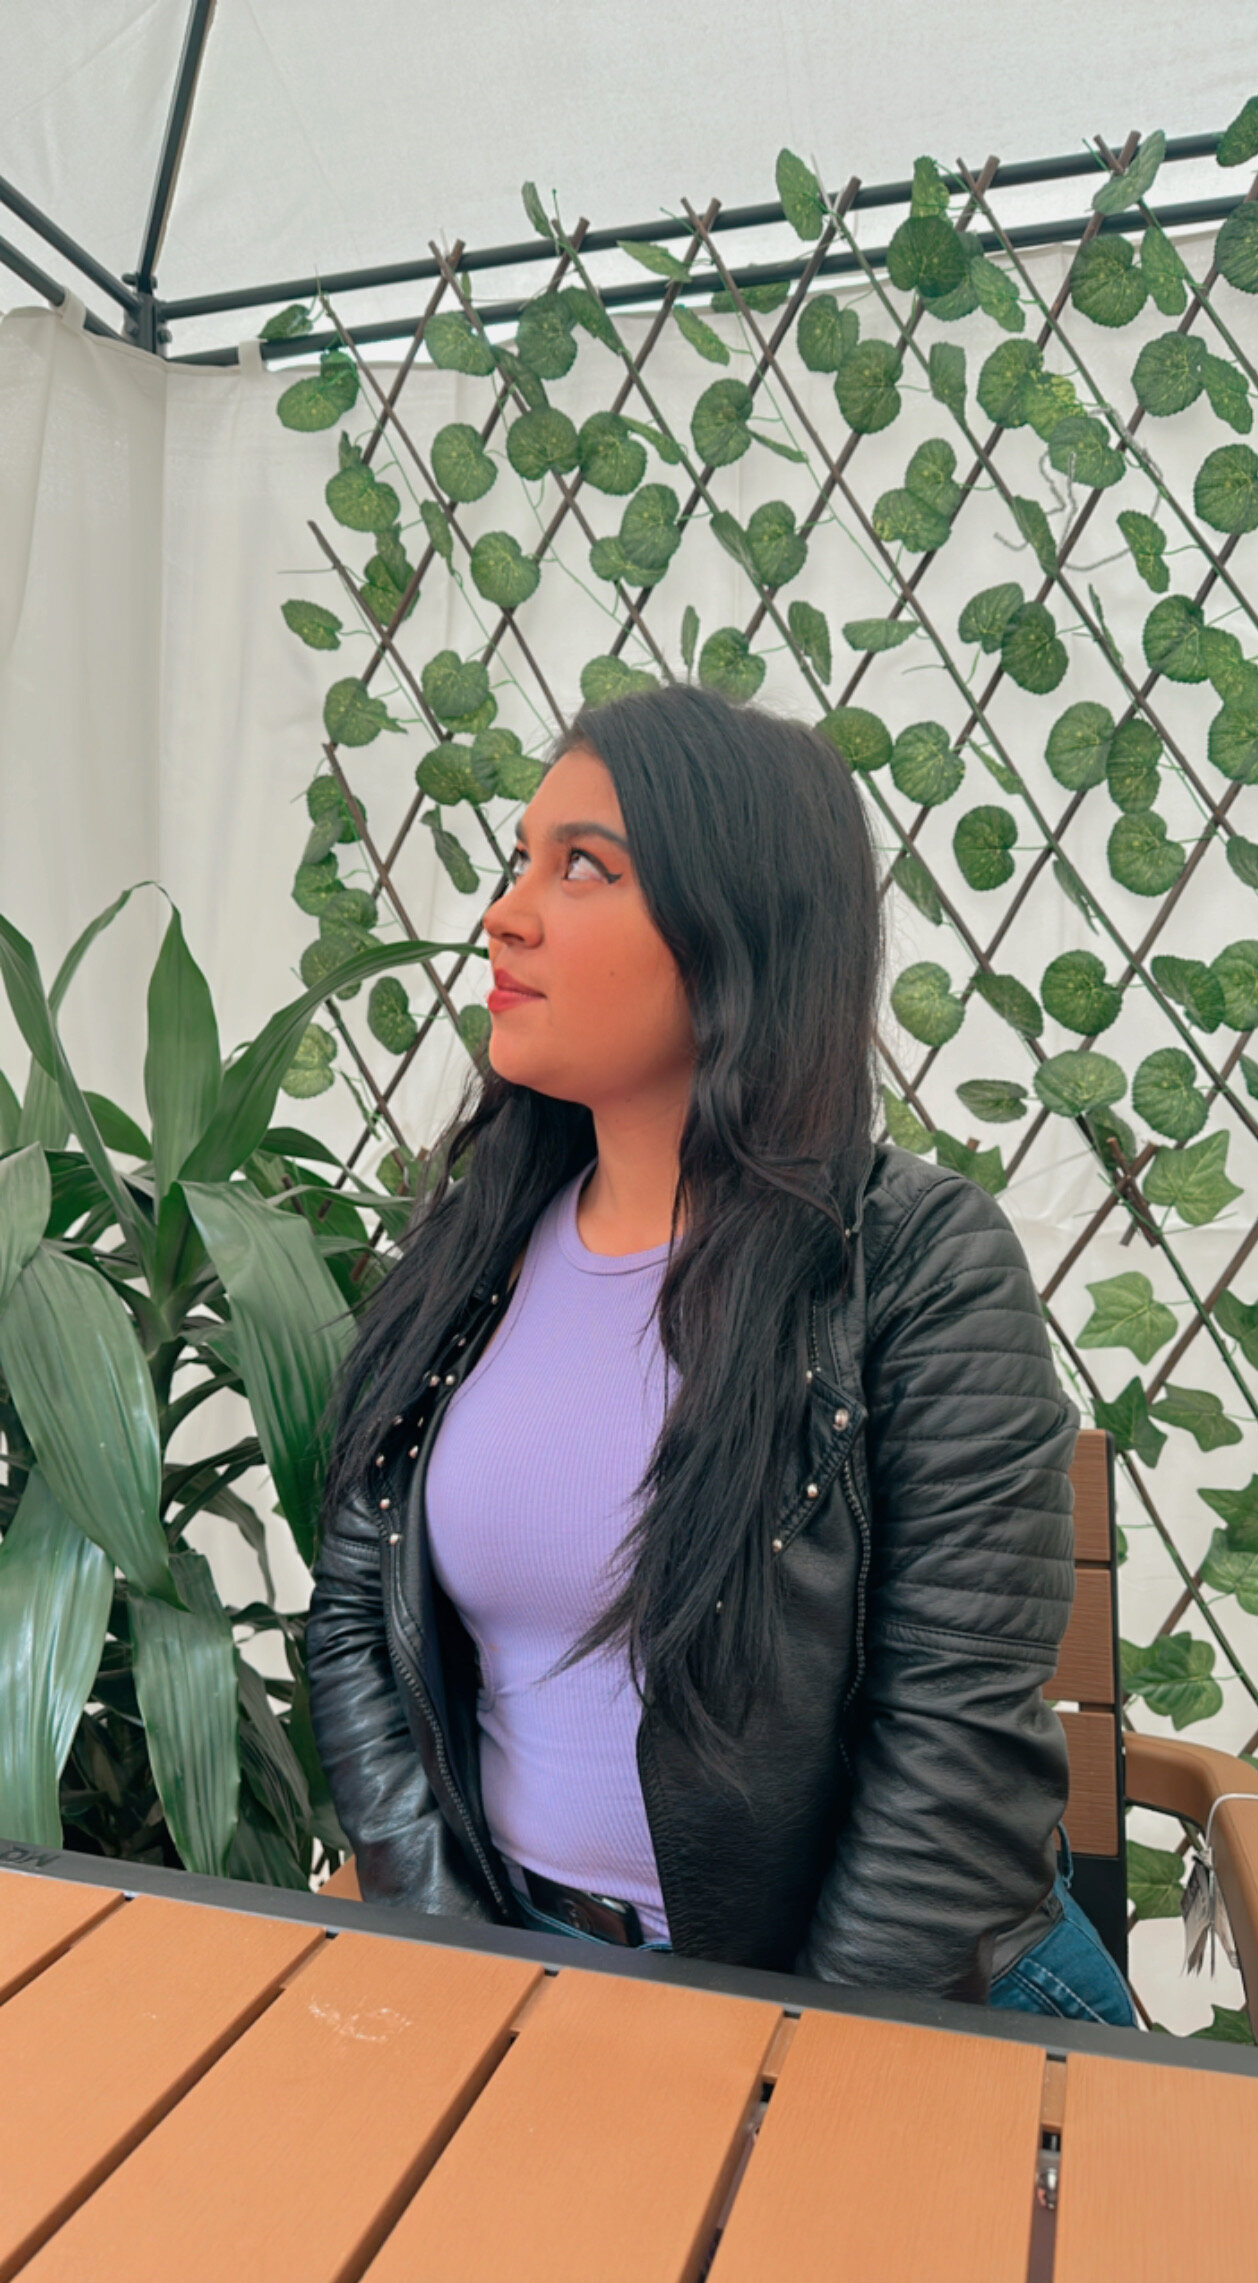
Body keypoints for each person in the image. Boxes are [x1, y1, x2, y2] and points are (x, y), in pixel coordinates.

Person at [305, 682, 1136, 2026]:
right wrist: (461, 1963)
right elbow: (355, 1615)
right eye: (520, 860)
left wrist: (779, 2066)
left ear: (737, 926)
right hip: (530, 1976)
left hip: (897, 2013)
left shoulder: (918, 1262)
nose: (504, 913)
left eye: (583, 866)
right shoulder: (470, 1249)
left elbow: (955, 1762)